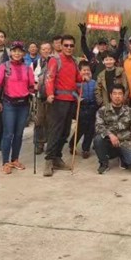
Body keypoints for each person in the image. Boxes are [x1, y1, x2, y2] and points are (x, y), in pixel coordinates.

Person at [43, 35, 84, 177]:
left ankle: (57, 157)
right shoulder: (55, 60)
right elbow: (49, 77)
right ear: (61, 46)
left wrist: (84, 77)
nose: (69, 48)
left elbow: (77, 78)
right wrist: (49, 94)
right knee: (56, 131)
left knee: (65, 131)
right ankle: (49, 160)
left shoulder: (74, 61)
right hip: (58, 100)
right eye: (66, 45)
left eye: (71, 45)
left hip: (70, 100)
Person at [0, 41, 35, 174]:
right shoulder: (4, 66)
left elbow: (31, 86)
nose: (17, 53)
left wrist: (36, 88)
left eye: (20, 51)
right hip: (9, 104)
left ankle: (15, 159)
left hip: (23, 104)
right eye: (14, 51)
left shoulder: (27, 68)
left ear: (23, 53)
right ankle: (5, 162)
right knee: (8, 134)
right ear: (10, 52)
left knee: (19, 134)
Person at [94, 84, 131, 174]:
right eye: (115, 94)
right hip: (110, 142)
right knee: (98, 139)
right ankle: (104, 164)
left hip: (126, 142)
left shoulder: (130, 111)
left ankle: (122, 157)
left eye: (120, 94)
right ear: (110, 95)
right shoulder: (102, 110)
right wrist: (110, 135)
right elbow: (98, 126)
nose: (117, 96)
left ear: (123, 96)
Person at [68, 61, 98, 159]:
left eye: (88, 70)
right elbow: (72, 91)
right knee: (81, 128)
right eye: (84, 70)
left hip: (92, 106)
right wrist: (77, 98)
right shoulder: (77, 83)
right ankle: (72, 144)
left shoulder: (94, 82)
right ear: (79, 71)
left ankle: (86, 148)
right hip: (81, 107)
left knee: (90, 129)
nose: (86, 72)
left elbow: (97, 93)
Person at [33, 42, 52, 155]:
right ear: (40, 51)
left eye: (48, 49)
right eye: (43, 49)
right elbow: (31, 77)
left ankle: (50, 144)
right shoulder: (35, 63)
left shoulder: (55, 62)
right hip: (40, 96)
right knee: (39, 120)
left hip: (52, 96)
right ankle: (39, 144)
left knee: (51, 121)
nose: (46, 51)